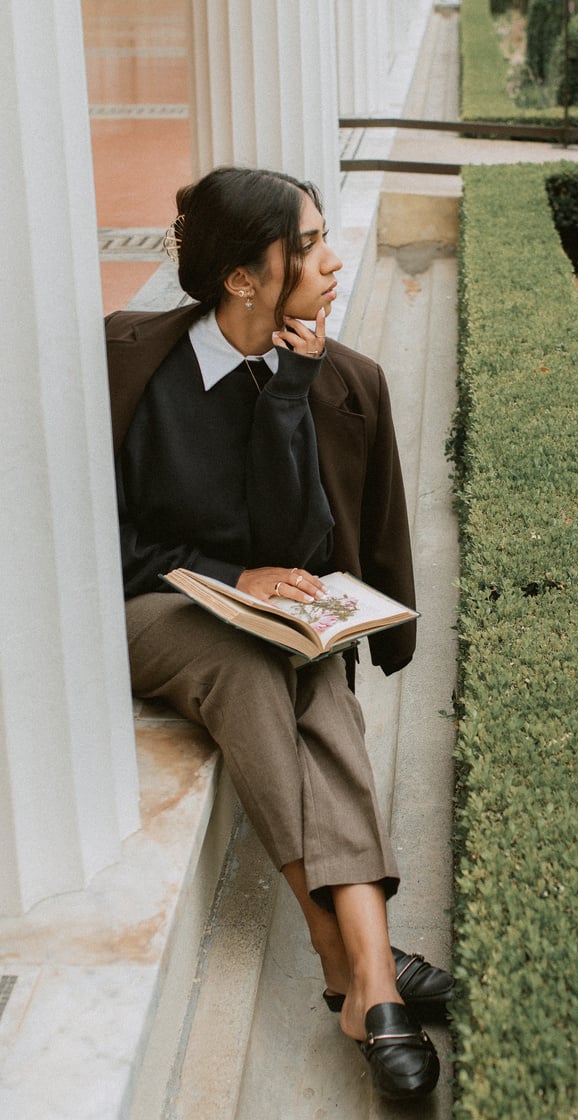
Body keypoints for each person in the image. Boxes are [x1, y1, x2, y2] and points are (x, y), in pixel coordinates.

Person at [105, 166, 452, 1101]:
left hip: (271, 626)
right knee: (249, 664)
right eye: (304, 245)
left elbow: (310, 544)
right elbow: (111, 542)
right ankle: (341, 952)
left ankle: (366, 984)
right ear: (241, 278)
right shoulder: (132, 365)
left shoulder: (336, 380)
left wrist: (290, 394)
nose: (332, 262)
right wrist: (229, 580)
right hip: (157, 610)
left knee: (315, 682)